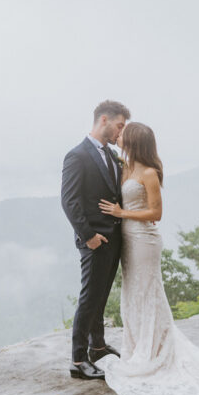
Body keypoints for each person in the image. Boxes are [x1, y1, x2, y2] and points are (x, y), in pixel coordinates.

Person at [96, 122, 199, 395]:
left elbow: (156, 212)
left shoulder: (148, 173)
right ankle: (138, 349)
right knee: (132, 293)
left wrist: (122, 212)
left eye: (123, 134)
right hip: (128, 240)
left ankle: (155, 351)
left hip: (144, 240)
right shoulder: (125, 166)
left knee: (147, 292)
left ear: (134, 140)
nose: (118, 136)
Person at [61, 100, 130, 380]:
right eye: (119, 126)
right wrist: (88, 236)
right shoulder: (77, 156)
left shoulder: (113, 155)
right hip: (94, 239)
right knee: (89, 298)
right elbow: (69, 201)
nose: (121, 132)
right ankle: (78, 360)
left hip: (114, 239)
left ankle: (98, 347)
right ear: (104, 120)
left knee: (101, 297)